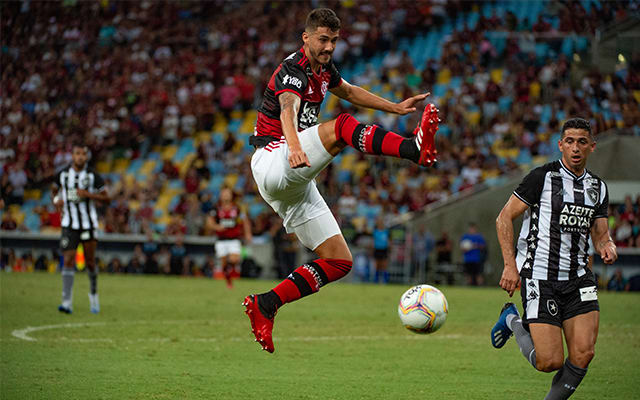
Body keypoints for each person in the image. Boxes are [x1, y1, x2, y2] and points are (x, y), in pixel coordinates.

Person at [243, 8, 439, 353]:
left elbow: (347, 90)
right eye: (323, 39)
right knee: (343, 126)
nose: (329, 46)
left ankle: (266, 304)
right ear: (306, 38)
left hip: (295, 182)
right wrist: (292, 147)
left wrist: (395, 107)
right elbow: (287, 109)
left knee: (338, 260)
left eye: (334, 40)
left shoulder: (323, 70)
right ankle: (413, 148)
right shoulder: (292, 69)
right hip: (274, 159)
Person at [491, 118, 617, 399]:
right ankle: (512, 319)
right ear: (560, 145)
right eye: (570, 141)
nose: (575, 148)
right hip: (540, 276)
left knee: (584, 353)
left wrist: (607, 246)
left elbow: (600, 234)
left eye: (582, 142)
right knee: (549, 361)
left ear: (592, 147)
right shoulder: (541, 178)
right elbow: (504, 217)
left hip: (579, 280)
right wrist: (511, 265)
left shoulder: (598, 188)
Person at [52, 143, 110, 314]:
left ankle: (93, 297)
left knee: (90, 262)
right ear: (72, 155)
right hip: (69, 224)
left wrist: (89, 195)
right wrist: (57, 201)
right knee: (68, 260)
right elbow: (54, 191)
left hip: (88, 224)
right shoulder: (62, 174)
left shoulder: (93, 176)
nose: (80, 157)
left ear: (87, 156)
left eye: (83, 154)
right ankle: (67, 302)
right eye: (77, 153)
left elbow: (107, 198)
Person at [207, 187, 252, 288]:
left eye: (228, 193)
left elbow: (245, 221)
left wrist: (248, 233)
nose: (226, 195)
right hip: (221, 240)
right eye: (224, 193)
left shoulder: (237, 208)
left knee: (234, 260)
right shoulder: (216, 208)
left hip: (234, 239)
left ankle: (230, 272)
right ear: (220, 195)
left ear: (231, 195)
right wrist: (217, 227)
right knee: (223, 264)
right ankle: (228, 281)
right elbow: (209, 221)